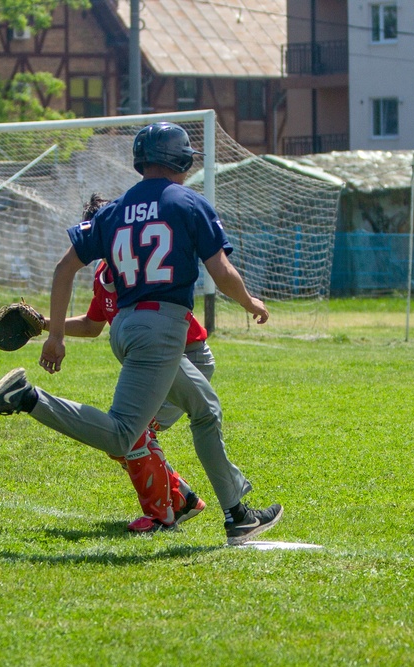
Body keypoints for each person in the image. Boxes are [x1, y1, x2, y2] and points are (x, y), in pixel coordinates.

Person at [0, 122, 282, 546]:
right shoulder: (189, 202)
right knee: (124, 433)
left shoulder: (113, 211)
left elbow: (64, 270)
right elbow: (221, 271)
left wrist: (54, 334)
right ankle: (27, 398)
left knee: (205, 408)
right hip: (163, 327)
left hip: (127, 327)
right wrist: (250, 303)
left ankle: (238, 514)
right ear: (180, 160)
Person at [31, 192, 262, 534]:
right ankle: (189, 502)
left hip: (188, 355)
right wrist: (48, 325)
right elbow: (94, 325)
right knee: (134, 436)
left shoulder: (134, 267)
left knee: (132, 436)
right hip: (160, 359)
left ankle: (166, 514)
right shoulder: (106, 275)